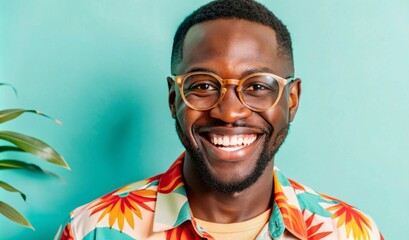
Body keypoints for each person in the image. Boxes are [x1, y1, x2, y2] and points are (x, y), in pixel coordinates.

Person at [57, 0, 383, 239]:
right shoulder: (93, 230)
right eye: (202, 85)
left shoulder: (351, 233)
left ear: (292, 100)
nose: (229, 113)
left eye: (257, 86)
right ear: (174, 99)